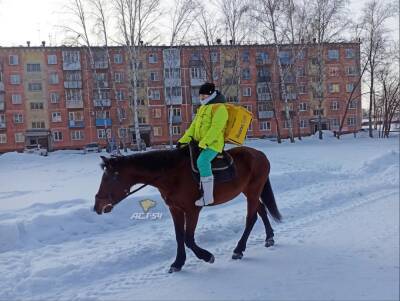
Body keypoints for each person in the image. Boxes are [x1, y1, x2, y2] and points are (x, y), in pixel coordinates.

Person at [177, 82, 228, 206]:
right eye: (200, 96)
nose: (201, 98)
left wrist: (205, 143)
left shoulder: (220, 108)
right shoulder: (203, 108)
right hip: (200, 143)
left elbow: (216, 128)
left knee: (202, 162)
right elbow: (193, 127)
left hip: (213, 144)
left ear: (210, 95)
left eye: (203, 96)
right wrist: (183, 140)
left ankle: (208, 197)